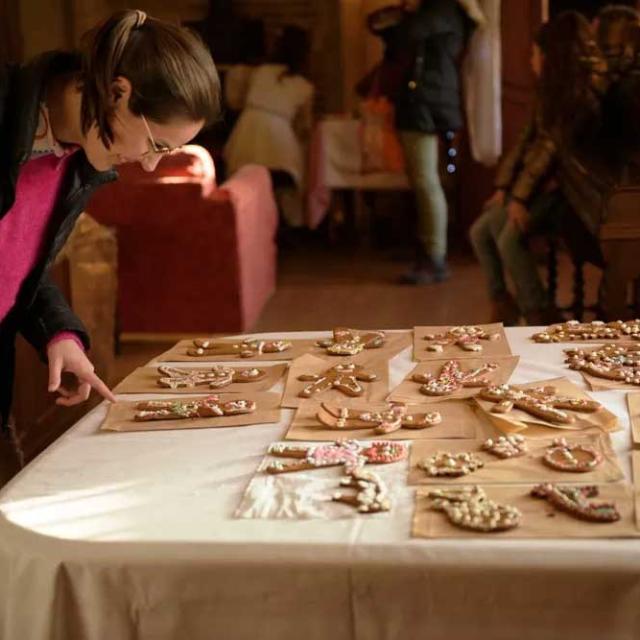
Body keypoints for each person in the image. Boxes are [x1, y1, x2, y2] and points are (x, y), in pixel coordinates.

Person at [0, 10, 220, 434]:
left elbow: (16, 261)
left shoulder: (76, 162)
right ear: (118, 93)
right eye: (156, 144)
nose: (152, 165)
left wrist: (59, 333)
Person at [470, 14, 604, 325]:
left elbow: (550, 153)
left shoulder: (578, 97)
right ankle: (502, 304)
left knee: (508, 239)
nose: (530, 59)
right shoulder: (548, 93)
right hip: (536, 187)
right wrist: (504, 188)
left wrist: (519, 200)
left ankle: (538, 313)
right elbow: (525, 144)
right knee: (480, 232)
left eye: (534, 52)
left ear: (550, 55)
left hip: (563, 193)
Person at [372, 0, 481, 285]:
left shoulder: (439, 11)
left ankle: (434, 256)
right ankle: (429, 251)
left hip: (425, 105)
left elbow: (400, 35)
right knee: (425, 180)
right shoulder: (447, 12)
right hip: (430, 102)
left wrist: (404, 12)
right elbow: (379, 26)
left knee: (425, 181)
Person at [224, 26, 314, 230]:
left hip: (247, 132)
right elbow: (304, 126)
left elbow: (236, 102)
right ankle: (294, 223)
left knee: (246, 170)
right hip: (279, 143)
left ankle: (245, 219)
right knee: (297, 161)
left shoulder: (261, 72)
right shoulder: (305, 86)